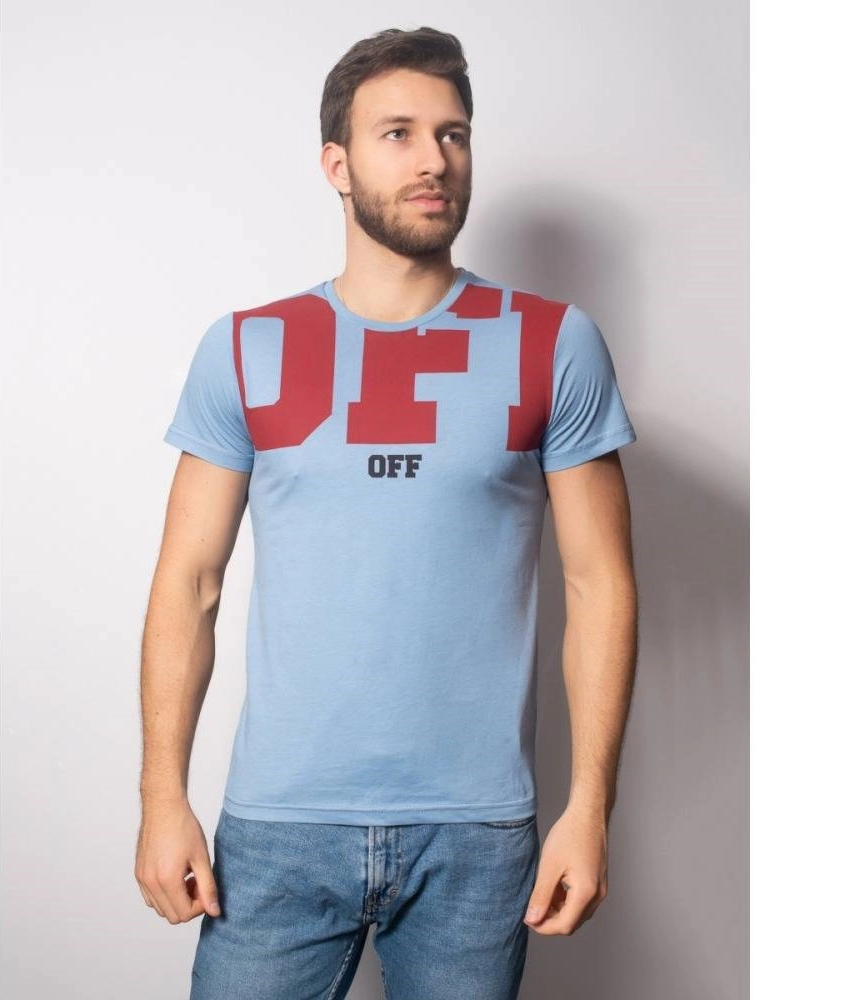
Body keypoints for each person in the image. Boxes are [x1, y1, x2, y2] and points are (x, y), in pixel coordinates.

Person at [135, 25, 639, 1000]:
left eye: (453, 135)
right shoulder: (245, 346)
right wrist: (163, 795)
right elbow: (187, 584)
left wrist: (590, 808)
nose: (433, 160)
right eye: (398, 134)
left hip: (477, 832)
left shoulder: (553, 342)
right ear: (337, 164)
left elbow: (600, 584)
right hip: (278, 824)